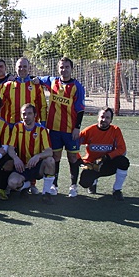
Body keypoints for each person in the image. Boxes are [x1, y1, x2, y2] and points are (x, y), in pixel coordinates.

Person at [33, 57, 86, 198]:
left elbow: (80, 109)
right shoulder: (52, 81)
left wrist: (77, 127)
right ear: (58, 69)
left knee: (73, 157)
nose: (64, 69)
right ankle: (54, 185)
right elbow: (37, 79)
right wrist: (35, 80)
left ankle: (73, 186)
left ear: (71, 69)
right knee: (55, 156)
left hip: (70, 130)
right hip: (55, 129)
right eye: (62, 67)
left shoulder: (77, 86)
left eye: (67, 67)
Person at [0, 104, 56, 203]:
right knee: (12, 183)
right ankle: (27, 184)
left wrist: (38, 156)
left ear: (35, 115)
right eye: (24, 114)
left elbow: (49, 151)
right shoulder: (17, 127)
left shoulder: (41, 129)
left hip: (37, 166)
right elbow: (11, 148)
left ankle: (46, 193)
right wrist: (16, 158)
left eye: (29, 114)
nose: (26, 116)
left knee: (50, 161)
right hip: (22, 166)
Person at [78, 107, 129, 201]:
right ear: (98, 117)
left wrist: (106, 157)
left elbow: (122, 149)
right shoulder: (89, 130)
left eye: (107, 118)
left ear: (111, 120)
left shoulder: (115, 130)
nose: (104, 120)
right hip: (92, 165)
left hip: (107, 164)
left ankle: (117, 190)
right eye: (102, 117)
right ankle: (93, 182)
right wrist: (80, 160)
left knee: (123, 161)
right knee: (84, 183)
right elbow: (74, 144)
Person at [4, 57, 47, 125]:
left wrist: (43, 122)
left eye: (24, 66)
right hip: (12, 124)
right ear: (15, 69)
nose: (22, 69)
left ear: (29, 68)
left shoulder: (36, 85)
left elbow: (42, 106)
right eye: (19, 66)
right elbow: (1, 105)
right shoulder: (8, 85)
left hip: (32, 125)